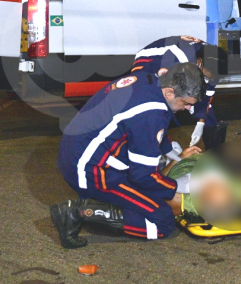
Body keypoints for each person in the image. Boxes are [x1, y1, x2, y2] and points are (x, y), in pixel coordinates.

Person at [50, 63, 205, 249]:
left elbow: (156, 129)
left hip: (76, 151)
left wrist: (174, 154)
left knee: (152, 186)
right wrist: (178, 186)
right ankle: (78, 212)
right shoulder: (150, 113)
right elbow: (143, 176)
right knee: (163, 220)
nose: (188, 108)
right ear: (170, 92)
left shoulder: (148, 79)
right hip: (91, 170)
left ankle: (101, 202)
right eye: (186, 103)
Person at [131, 35, 228, 149]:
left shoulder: (216, 67)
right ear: (199, 63)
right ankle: (156, 145)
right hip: (149, 63)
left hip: (185, 64)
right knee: (162, 104)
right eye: (205, 76)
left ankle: (214, 154)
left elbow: (206, 96)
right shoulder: (176, 60)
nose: (209, 80)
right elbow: (167, 94)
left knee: (209, 116)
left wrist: (201, 122)